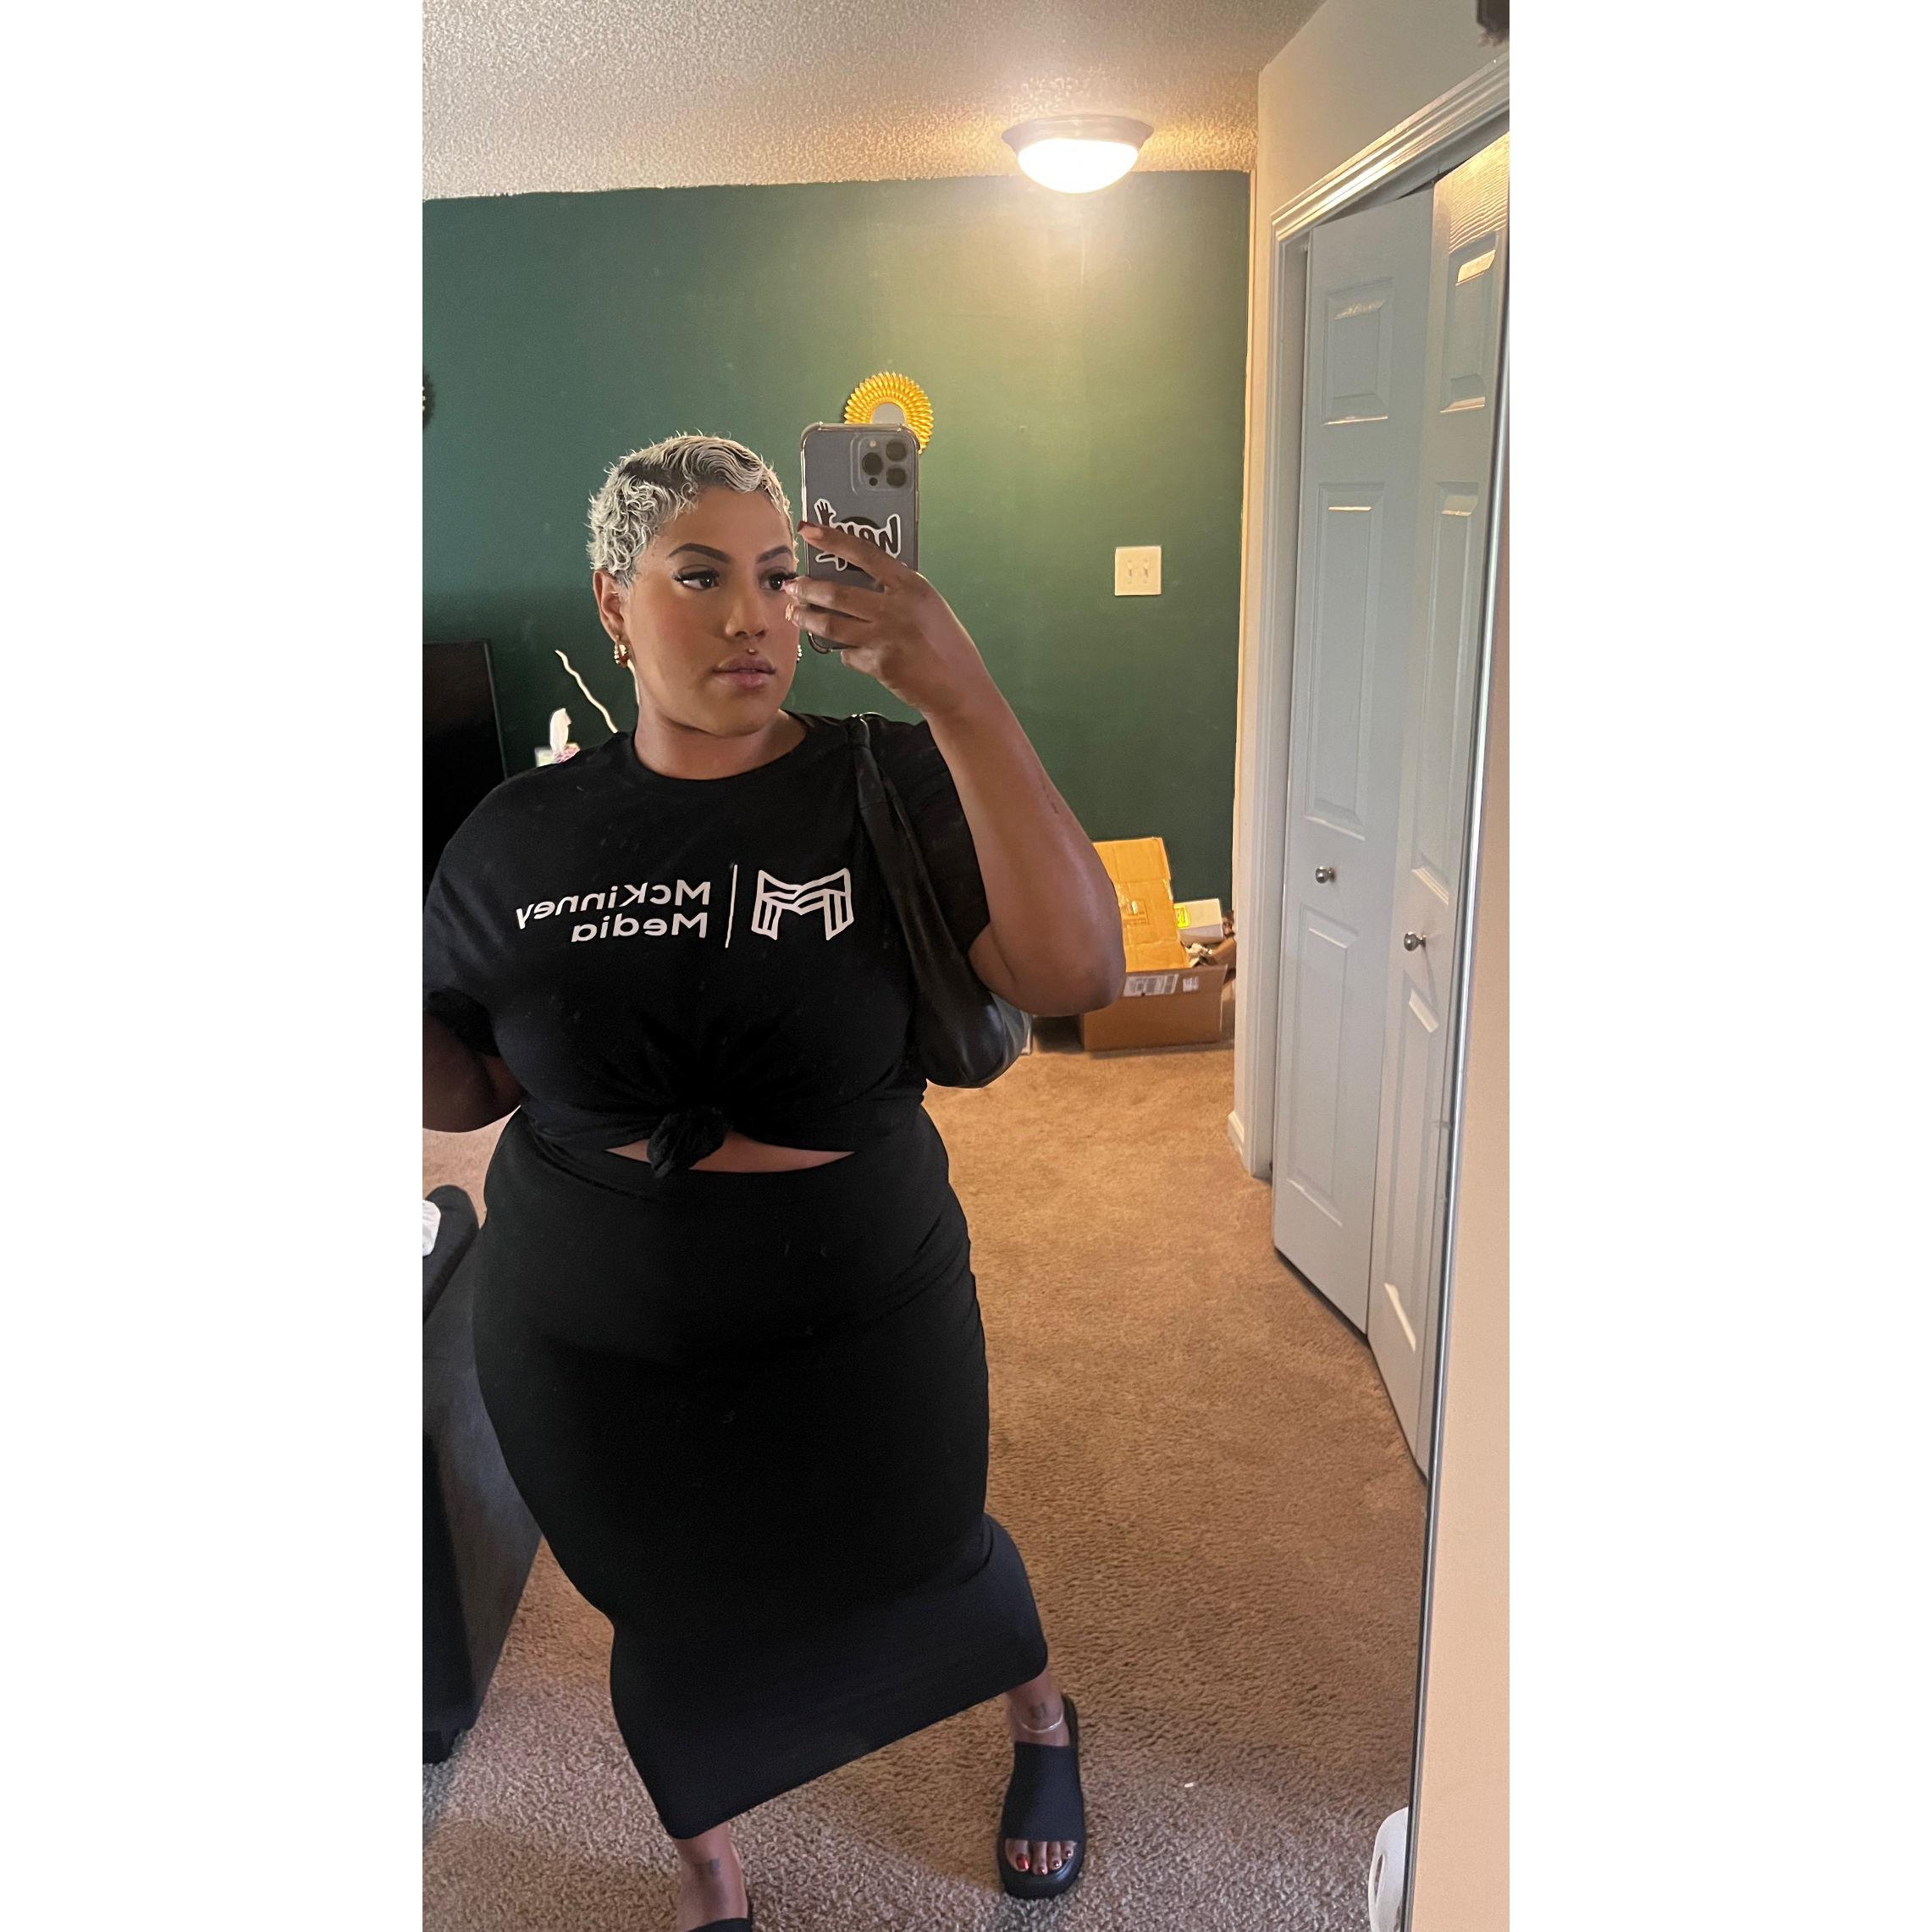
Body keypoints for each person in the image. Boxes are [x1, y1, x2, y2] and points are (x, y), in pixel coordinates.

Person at [423, 433, 1125, 1929]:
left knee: (927, 1554)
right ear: (613, 603)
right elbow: (464, 1088)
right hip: (585, 1338)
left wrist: (959, 692)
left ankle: (1039, 1717)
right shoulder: (516, 831)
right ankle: (710, 1867)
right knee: (667, 1613)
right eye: (698, 576)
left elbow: (1078, 971)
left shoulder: (888, 778)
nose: (750, 615)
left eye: (774, 573)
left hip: (857, 1310)